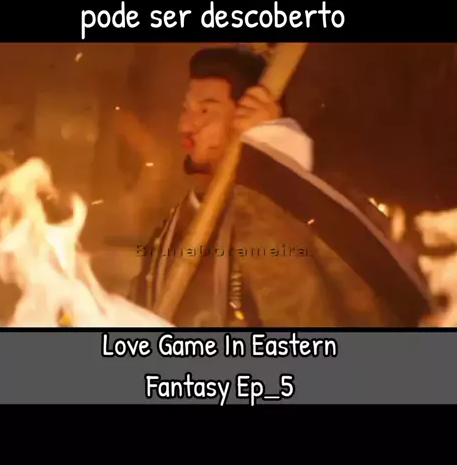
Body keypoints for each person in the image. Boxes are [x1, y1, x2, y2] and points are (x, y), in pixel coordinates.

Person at [127, 46, 427, 327]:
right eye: (186, 110)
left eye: (205, 111)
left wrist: (272, 151)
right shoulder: (173, 227)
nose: (185, 125)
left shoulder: (304, 203)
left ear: (245, 115)